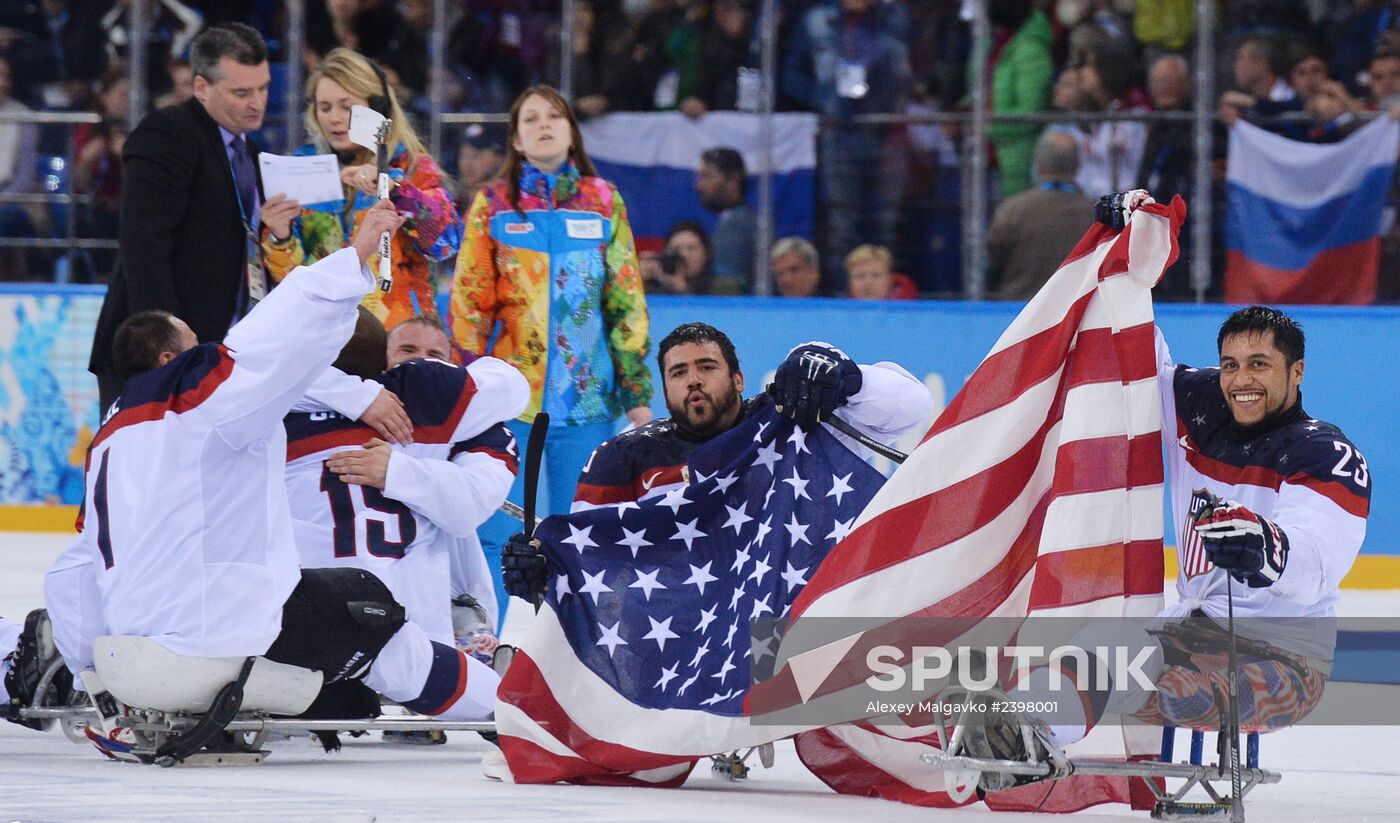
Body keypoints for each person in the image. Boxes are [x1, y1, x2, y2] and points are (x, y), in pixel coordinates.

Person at [41, 203, 500, 736]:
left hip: (131, 649)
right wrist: (355, 255)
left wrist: (93, 673)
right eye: (198, 346)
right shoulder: (203, 400)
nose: (214, 351)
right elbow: (271, 341)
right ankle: (515, 708)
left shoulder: (108, 443)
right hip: (220, 632)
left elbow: (71, 575)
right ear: (173, 362)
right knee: (377, 625)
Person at [970, 197, 1371, 785]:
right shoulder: (1202, 405)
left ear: (1297, 372)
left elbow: (1317, 559)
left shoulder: (1324, 453)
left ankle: (1027, 739)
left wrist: (1267, 550)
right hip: (1188, 631)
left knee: (1160, 678)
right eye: (1231, 365)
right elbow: (1129, 352)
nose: (1241, 380)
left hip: (1284, 660)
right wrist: (1121, 250)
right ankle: (1021, 737)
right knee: (1101, 644)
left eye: (1260, 365)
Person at [503, 321, 934, 597]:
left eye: (706, 367)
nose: (693, 380)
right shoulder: (622, 457)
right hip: (681, 643)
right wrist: (543, 571)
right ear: (665, 391)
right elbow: (592, 563)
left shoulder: (792, 420)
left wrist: (849, 379)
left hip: (796, 624)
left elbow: (914, 407)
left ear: (739, 379)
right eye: (678, 372)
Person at [450, 84, 654, 621]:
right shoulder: (493, 204)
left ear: (571, 133)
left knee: (580, 535)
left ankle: (570, 651)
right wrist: (464, 392)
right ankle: (491, 643)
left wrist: (636, 393)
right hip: (508, 403)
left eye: (555, 116)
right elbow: (470, 303)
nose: (544, 125)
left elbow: (625, 300)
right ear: (516, 139)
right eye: (531, 119)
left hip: (587, 403)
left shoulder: (603, 200)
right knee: (499, 533)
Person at [88, 23, 270, 413]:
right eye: (242, 93)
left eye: (263, 89)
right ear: (201, 87)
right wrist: (166, 345)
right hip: (158, 356)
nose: (257, 103)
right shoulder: (167, 133)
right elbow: (143, 242)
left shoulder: (251, 155)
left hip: (218, 355)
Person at [260, 48, 463, 331]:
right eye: (325, 107)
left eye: (347, 106)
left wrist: (393, 187)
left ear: (376, 108)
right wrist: (280, 238)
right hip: (322, 334)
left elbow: (446, 242)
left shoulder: (412, 166)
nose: (334, 118)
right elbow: (290, 282)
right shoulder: (300, 168)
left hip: (397, 337)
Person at [986, 130, 1097, 300]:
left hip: (1021, 306)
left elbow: (993, 261)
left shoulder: (1012, 210)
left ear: (1038, 164)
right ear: (1077, 166)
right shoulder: (1095, 214)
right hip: (1075, 307)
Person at [695, 146, 756, 295]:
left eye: (707, 176)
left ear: (733, 181)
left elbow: (727, 288)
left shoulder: (736, 224)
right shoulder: (739, 220)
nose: (698, 186)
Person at [646, 219, 713, 295]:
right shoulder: (655, 283)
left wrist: (681, 290)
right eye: (676, 249)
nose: (684, 255)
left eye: (691, 248)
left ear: (706, 253)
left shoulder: (719, 287)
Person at [456, 124, 506, 217]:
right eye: (463, 155)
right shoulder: (455, 205)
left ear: (498, 158)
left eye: (476, 156)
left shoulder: (505, 202)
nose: (467, 164)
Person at [843, 244, 916, 300]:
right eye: (860, 276)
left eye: (876, 275)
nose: (868, 283)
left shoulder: (914, 311)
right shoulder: (841, 310)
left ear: (890, 280)